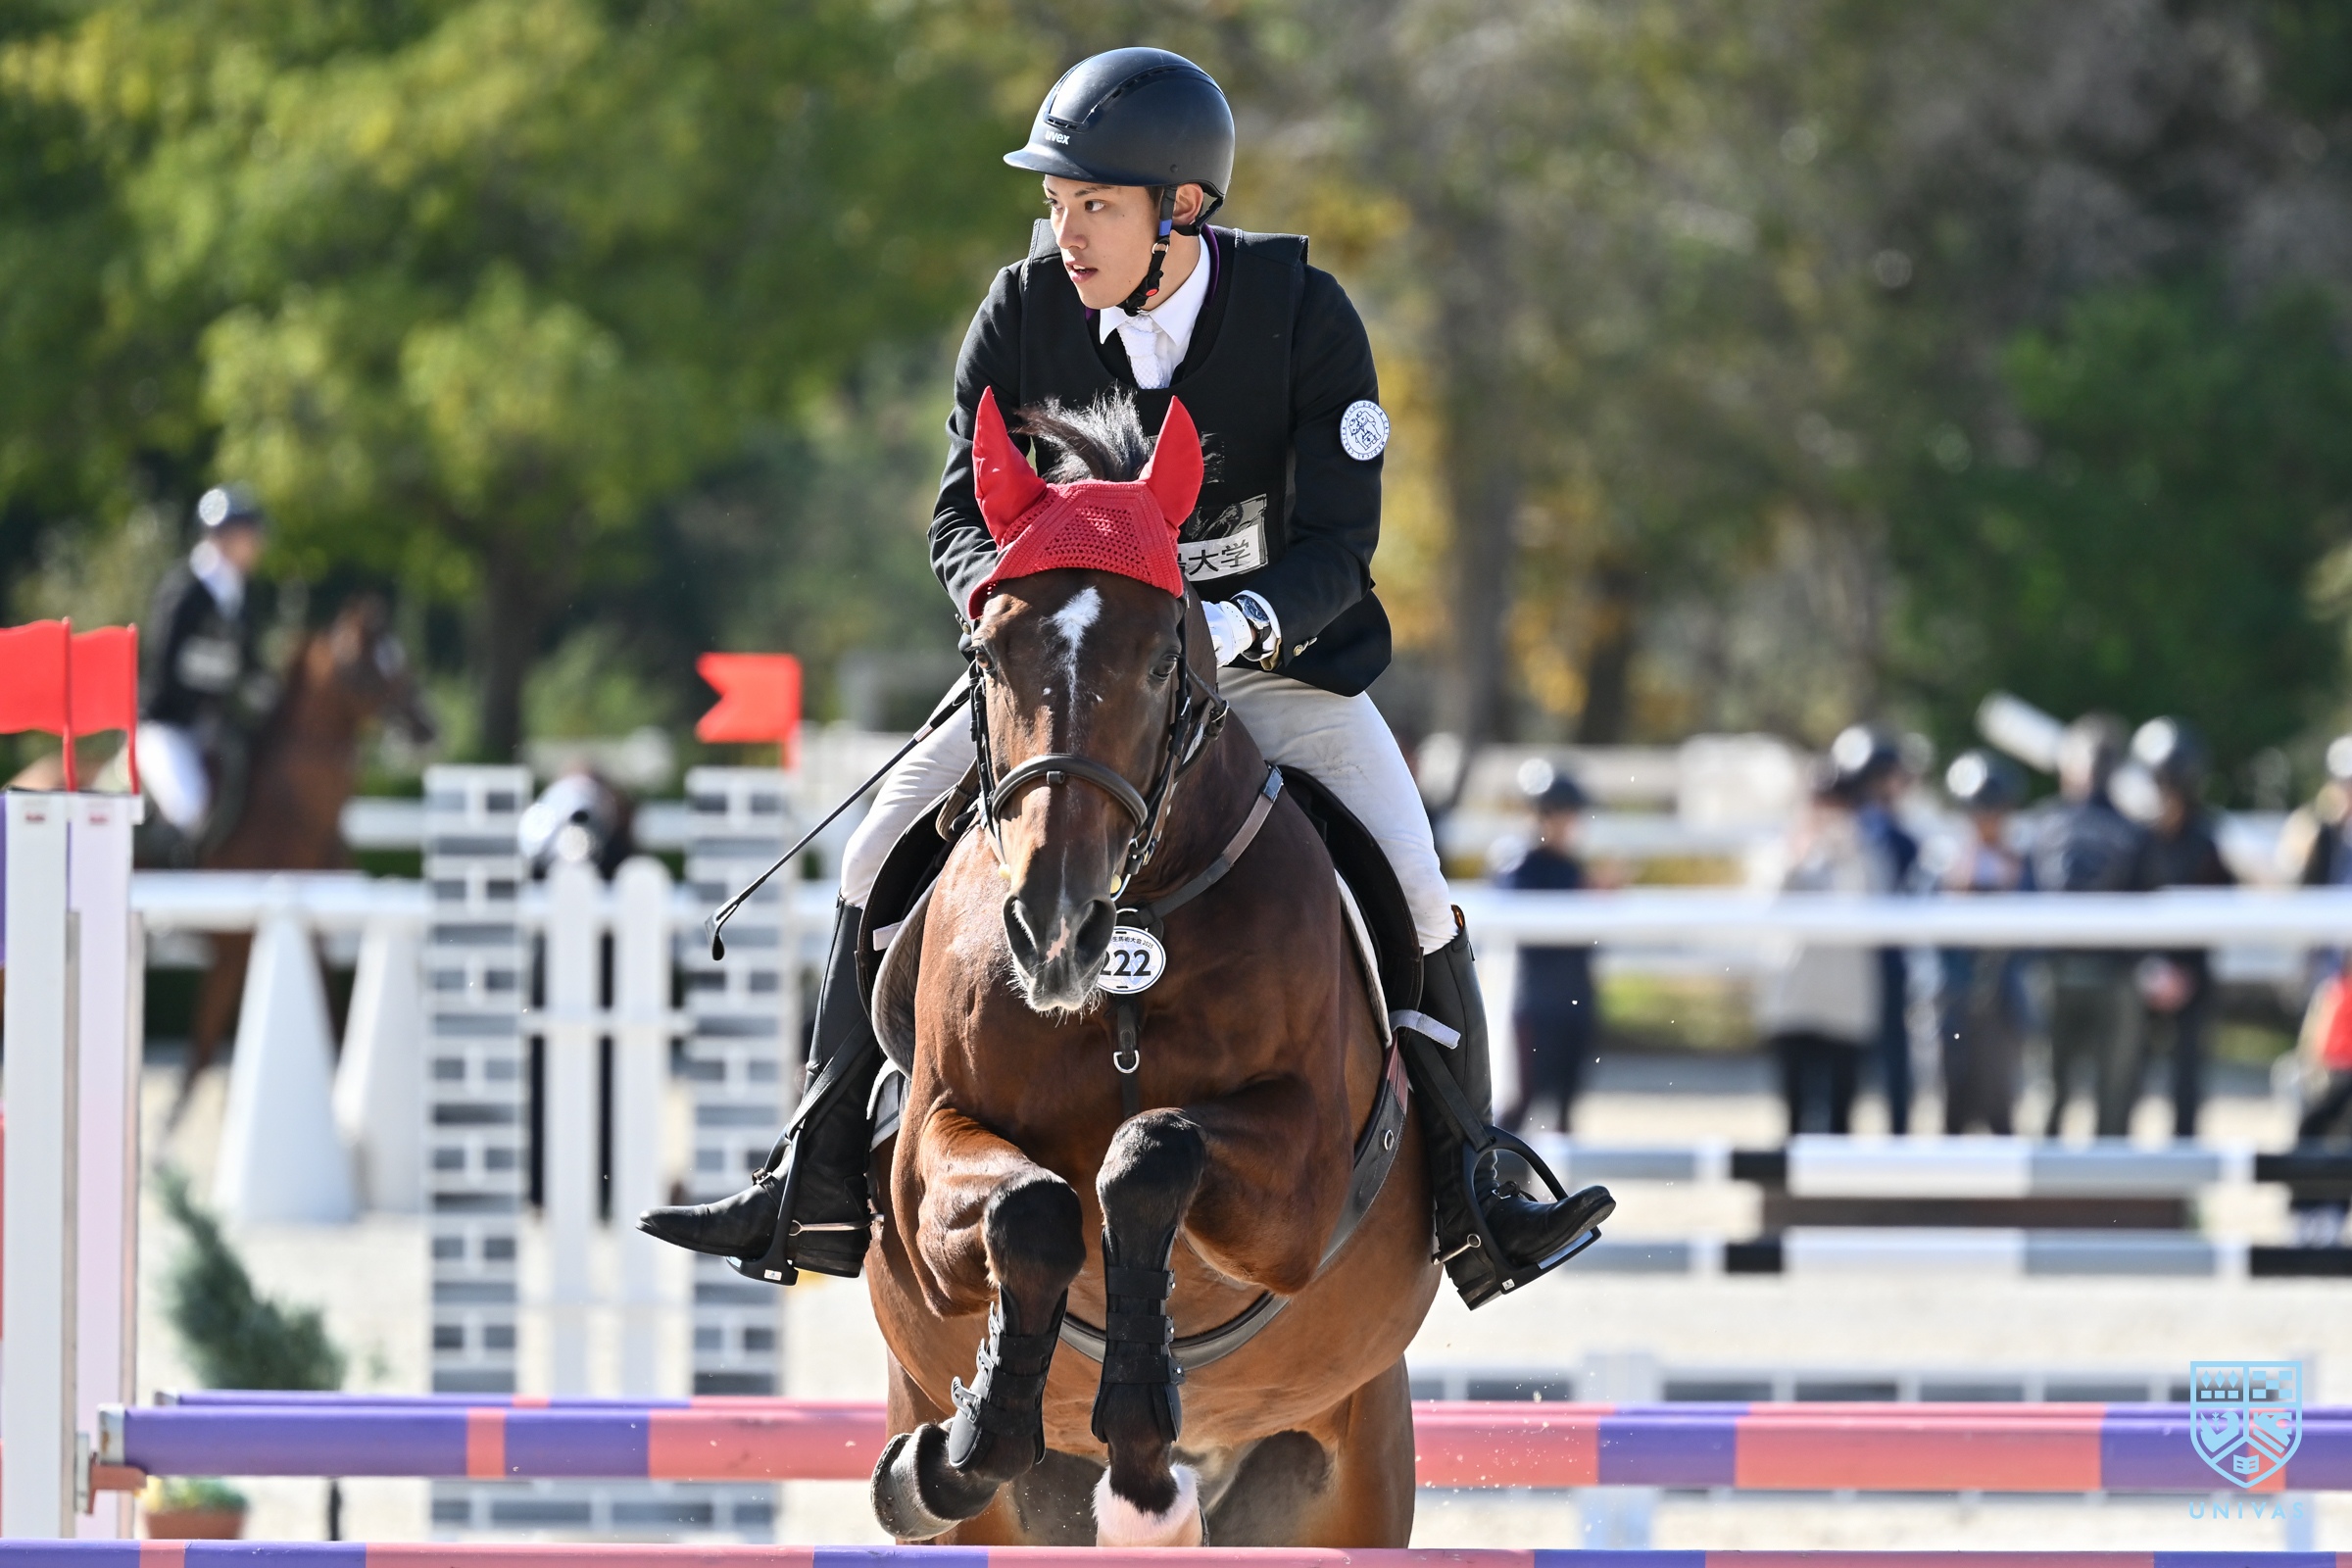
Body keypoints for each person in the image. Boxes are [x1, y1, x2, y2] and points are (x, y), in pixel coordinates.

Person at [639, 48, 1612, 1309]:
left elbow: (1340, 547)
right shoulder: (1020, 312)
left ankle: (1478, 1190)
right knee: (877, 843)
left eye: (1094, 204)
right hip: (1071, 671)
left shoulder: (1305, 317)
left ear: (1183, 207)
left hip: (1267, 665)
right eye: (1057, 202)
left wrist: (1233, 625)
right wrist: (1014, 618)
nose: (1067, 232)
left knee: (1416, 880)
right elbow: (957, 519)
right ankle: (814, 1169)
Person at [137, 485, 276, 861]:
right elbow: (164, 665)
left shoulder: (239, 597)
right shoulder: (184, 592)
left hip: (207, 730)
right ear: (224, 538)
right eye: (249, 536)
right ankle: (165, 890)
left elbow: (250, 665)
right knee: (189, 804)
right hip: (166, 726)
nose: (257, 546)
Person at [2026, 713, 2148, 1138]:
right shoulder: (2132, 832)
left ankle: (2047, 1174)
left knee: (2053, 1091)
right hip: (2109, 977)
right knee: (2111, 1097)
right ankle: (2105, 1175)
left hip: (2061, 973)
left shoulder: (2045, 825)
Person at [1759, 764, 1890, 1136]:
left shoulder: (1867, 854)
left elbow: (1870, 911)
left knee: (1841, 1113)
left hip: (1845, 1001)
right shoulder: (1781, 849)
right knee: (1793, 1109)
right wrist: (1797, 854)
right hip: (1793, 996)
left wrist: (1848, 852)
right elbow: (1767, 906)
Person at [2124, 719, 2233, 1141]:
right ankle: (2118, 1161)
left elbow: (2222, 906)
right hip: (2141, 966)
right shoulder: (2136, 840)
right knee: (2127, 1069)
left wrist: (2184, 973)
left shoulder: (2207, 840)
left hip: (2192, 970)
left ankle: (2184, 1160)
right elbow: (2122, 903)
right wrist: (2149, 966)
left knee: (2188, 1072)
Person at [1493, 761, 1600, 1134]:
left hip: (1574, 1000)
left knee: (1566, 1108)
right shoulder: (1520, 868)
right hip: (1534, 1005)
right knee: (1521, 1102)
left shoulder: (1572, 869)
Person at [1936, 750, 2033, 1135]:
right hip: (1955, 1002)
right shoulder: (1943, 862)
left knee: (2000, 1102)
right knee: (1954, 1100)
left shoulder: (2021, 864)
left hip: (2004, 1003)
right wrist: (1954, 889)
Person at [1833, 725, 1922, 1134]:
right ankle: (1898, 1137)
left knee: (1845, 1061)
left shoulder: (1841, 828)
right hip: (1885, 960)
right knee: (1893, 1060)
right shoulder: (1895, 837)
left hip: (1848, 960)